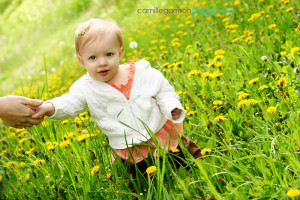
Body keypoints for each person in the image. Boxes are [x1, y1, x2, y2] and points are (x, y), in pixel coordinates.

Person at [33, 18, 201, 186]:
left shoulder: (142, 73)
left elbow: (162, 91)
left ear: (120, 52)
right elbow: (70, 102)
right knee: (144, 182)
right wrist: (50, 107)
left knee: (182, 159)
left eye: (109, 54)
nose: (102, 62)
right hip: (128, 144)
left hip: (158, 130)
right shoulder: (86, 87)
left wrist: (171, 107)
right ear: (82, 61)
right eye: (93, 57)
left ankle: (199, 175)